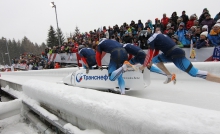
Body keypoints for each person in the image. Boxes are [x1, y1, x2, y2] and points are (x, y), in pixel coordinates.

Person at [139, 33, 220, 84]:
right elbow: (155, 54)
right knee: (155, 59)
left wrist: (144, 66)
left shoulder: (150, 39)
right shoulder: (157, 35)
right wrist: (149, 63)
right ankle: (169, 75)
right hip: (172, 53)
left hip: (175, 55)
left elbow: (149, 54)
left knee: (194, 73)